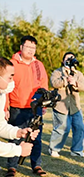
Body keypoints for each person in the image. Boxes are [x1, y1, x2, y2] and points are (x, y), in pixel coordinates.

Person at [6, 36, 48, 177]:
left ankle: (36, 165)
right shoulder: (12, 64)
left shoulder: (39, 65)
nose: (30, 50)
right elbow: (6, 88)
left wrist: (44, 104)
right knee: (15, 137)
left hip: (35, 108)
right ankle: (12, 167)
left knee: (36, 138)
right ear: (21, 47)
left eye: (33, 48)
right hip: (17, 107)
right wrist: (6, 107)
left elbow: (43, 85)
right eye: (28, 47)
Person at [48, 52, 84, 158]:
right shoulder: (57, 72)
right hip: (61, 106)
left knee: (80, 128)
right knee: (62, 128)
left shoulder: (78, 74)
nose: (70, 60)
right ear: (63, 60)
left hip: (75, 107)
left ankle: (77, 150)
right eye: (67, 58)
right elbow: (54, 83)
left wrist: (75, 83)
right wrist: (65, 80)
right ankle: (54, 149)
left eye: (72, 58)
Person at [0, 57, 39, 158]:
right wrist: (18, 150)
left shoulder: (1, 95)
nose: (13, 81)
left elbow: (1, 126)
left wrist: (19, 132)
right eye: (10, 77)